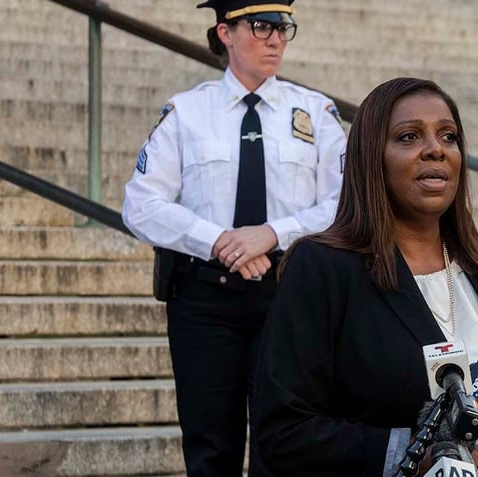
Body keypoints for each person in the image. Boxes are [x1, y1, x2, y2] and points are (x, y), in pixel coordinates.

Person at [252, 77, 478, 476]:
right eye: (409, 136)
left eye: (448, 136)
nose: (435, 149)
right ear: (372, 158)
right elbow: (284, 432)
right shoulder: (322, 268)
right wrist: (424, 456)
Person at [121, 0, 347, 475]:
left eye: (284, 27)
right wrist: (221, 240)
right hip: (204, 302)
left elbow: (345, 205)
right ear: (225, 32)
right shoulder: (186, 113)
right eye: (261, 26)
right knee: (209, 450)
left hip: (290, 298)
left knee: (285, 448)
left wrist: (270, 233)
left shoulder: (316, 113)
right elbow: (141, 204)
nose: (275, 38)